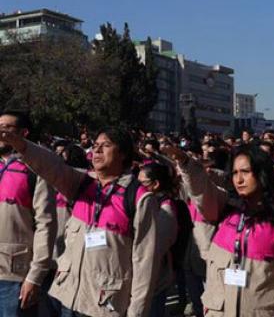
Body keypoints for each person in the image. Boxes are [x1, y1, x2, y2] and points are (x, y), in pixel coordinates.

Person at [0, 126, 170, 317]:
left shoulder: (139, 198)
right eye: (95, 145)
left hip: (105, 305)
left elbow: (145, 263)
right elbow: (52, 166)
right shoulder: (83, 183)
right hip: (69, 298)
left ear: (123, 154)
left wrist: (136, 312)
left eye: (105, 145)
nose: (97, 150)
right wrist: (20, 144)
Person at [167, 144, 274, 316]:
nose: (239, 180)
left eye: (245, 172)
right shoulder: (226, 208)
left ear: (261, 173)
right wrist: (185, 162)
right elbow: (202, 190)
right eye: (235, 173)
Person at [0, 111, 57, 317]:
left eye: (7, 128)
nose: (1, 133)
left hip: (13, 275)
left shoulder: (35, 170)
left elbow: (46, 225)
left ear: (23, 133)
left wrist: (35, 276)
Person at [138, 163, 178, 317]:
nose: (138, 187)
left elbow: (155, 248)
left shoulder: (165, 209)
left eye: (142, 183)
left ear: (155, 184)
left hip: (154, 277)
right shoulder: (148, 203)